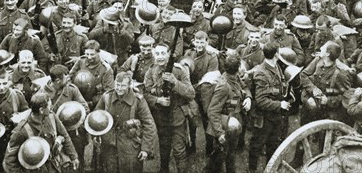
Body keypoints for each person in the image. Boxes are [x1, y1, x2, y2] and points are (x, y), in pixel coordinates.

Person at [143, 42, 195, 173]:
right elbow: (145, 94)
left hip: (177, 115)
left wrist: (175, 82)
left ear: (168, 54)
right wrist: (157, 100)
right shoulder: (151, 71)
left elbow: (191, 93)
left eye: (163, 53)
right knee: (164, 147)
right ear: (153, 54)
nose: (160, 57)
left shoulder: (179, 70)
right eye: (157, 53)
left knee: (179, 150)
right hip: (161, 116)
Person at [95, 71, 157, 173]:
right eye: (117, 85)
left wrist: (145, 149)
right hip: (109, 146)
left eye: (123, 86)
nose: (119, 88)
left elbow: (149, 124)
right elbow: (96, 116)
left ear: (129, 85)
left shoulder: (138, 100)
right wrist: (96, 136)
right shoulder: (107, 97)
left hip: (130, 146)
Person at [3, 92, 79, 172]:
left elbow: (65, 135)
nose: (51, 108)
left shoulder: (52, 116)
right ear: (41, 110)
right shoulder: (21, 130)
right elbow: (9, 159)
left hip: (54, 167)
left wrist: (73, 157)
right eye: (49, 106)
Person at [248, 42, 290, 172]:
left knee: (273, 145)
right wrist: (280, 104)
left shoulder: (276, 67)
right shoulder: (262, 73)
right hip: (263, 117)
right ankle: (252, 170)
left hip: (274, 116)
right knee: (257, 145)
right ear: (276, 54)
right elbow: (261, 101)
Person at [206, 53, 251, 173]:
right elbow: (212, 111)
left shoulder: (234, 78)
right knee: (221, 154)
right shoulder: (224, 86)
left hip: (234, 121)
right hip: (224, 125)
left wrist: (248, 98)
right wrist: (220, 133)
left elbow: (244, 87)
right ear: (238, 68)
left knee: (231, 153)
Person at [69, 39, 114, 107]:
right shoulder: (81, 61)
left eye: (92, 54)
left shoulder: (106, 69)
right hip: (78, 98)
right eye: (87, 54)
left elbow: (109, 92)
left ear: (98, 52)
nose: (89, 57)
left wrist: (93, 102)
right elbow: (70, 77)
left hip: (96, 102)